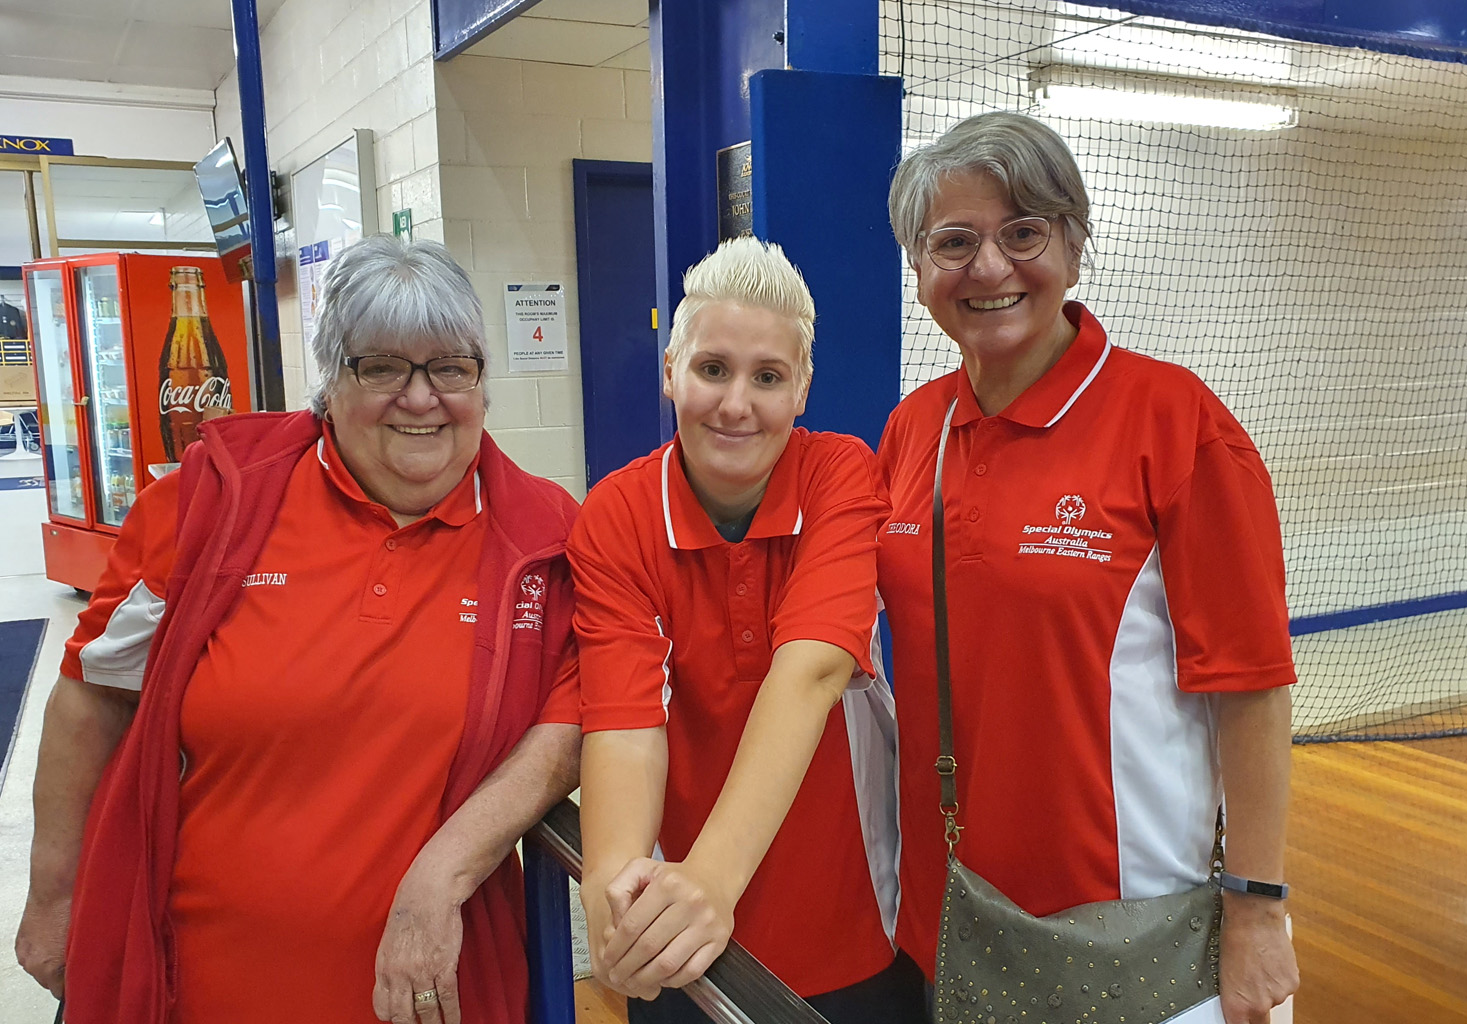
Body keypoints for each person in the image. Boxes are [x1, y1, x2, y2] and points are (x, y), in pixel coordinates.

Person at [14, 235, 582, 1024]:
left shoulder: (543, 536)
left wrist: (446, 870)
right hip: (200, 979)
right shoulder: (209, 506)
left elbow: (572, 721)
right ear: (330, 381)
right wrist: (54, 899)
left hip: (427, 989)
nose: (421, 399)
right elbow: (91, 701)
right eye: (381, 367)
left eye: (451, 368)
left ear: (482, 385)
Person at [877, 111, 1301, 1024]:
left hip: (1136, 942)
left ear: (1073, 245)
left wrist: (1259, 909)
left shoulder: (1176, 421)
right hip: (952, 917)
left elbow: (1253, 683)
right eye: (953, 243)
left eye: (1023, 231)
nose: (989, 268)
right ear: (919, 273)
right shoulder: (914, 430)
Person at [570, 237, 925, 1023]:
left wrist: (712, 882)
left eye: (767, 377)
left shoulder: (841, 475)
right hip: (682, 941)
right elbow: (625, 723)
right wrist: (613, 887)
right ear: (671, 372)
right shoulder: (615, 517)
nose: (736, 404)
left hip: (853, 926)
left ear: (802, 388)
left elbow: (813, 670)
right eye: (712, 369)